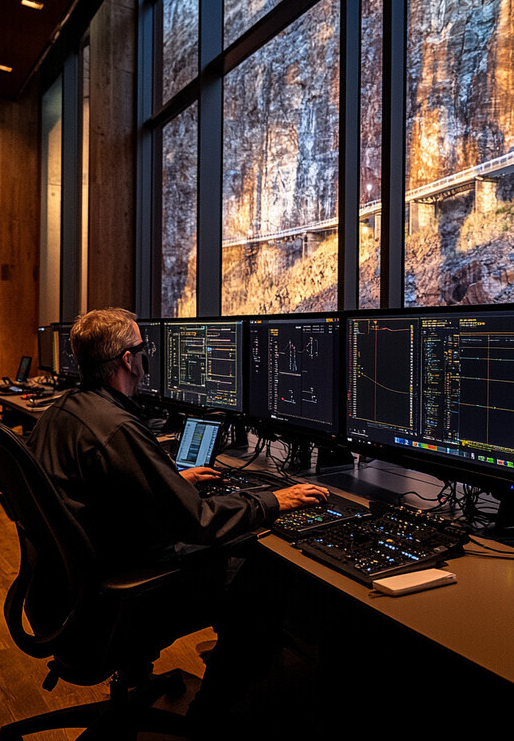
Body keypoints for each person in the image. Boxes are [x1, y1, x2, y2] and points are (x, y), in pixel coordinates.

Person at [26, 307, 330, 733]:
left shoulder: (66, 413)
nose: (146, 357)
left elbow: (104, 492)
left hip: (60, 600)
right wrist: (274, 500)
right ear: (129, 361)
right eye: (142, 348)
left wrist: (169, 478)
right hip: (113, 603)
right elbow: (199, 521)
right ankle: (212, 715)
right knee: (258, 573)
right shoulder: (117, 428)